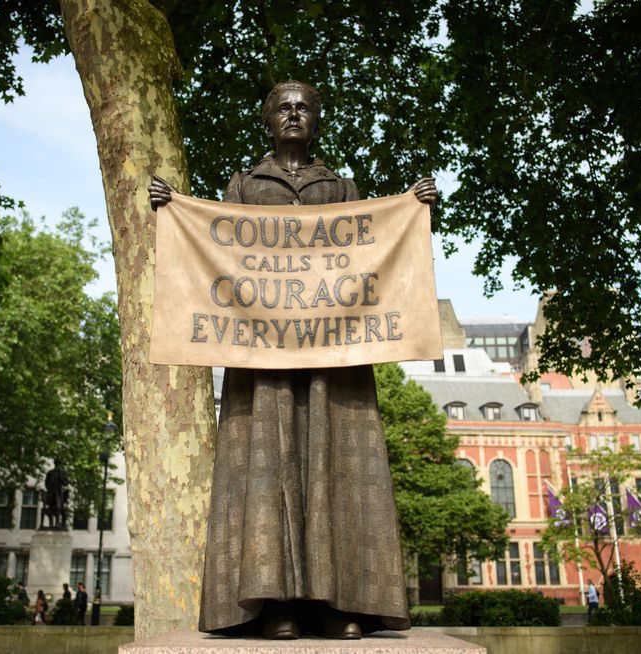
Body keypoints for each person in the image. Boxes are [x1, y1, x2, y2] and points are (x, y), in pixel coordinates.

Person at [149, 81, 436, 640]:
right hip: (263, 361)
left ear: (318, 119)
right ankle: (274, 603)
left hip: (336, 358)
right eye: (283, 106)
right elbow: (209, 251)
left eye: (304, 106)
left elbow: (378, 254)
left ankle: (337, 601)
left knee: (336, 467)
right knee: (270, 468)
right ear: (267, 120)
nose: (294, 113)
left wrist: (415, 209)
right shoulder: (243, 186)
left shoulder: (343, 187)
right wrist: (172, 208)